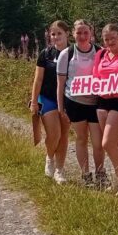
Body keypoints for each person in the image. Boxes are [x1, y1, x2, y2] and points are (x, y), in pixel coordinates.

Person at [56, 19, 107, 189]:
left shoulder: (100, 52)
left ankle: (100, 173)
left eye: (86, 32)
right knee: (81, 139)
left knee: (98, 141)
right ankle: (86, 175)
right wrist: (60, 107)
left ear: (91, 33)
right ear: (73, 33)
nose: (83, 36)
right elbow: (61, 84)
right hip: (74, 102)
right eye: (79, 33)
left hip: (95, 102)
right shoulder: (67, 54)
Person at [94, 23, 118, 197]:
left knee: (107, 143)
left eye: (113, 38)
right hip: (102, 101)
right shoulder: (101, 54)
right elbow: (95, 75)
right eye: (106, 39)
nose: (110, 41)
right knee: (114, 143)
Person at [31, 20, 70, 184]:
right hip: (47, 98)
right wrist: (34, 101)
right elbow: (38, 80)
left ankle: (60, 171)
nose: (56, 37)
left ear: (67, 34)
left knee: (64, 136)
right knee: (54, 134)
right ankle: (49, 157)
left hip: (68, 99)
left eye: (59, 33)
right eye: (53, 34)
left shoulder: (74, 53)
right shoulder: (45, 54)